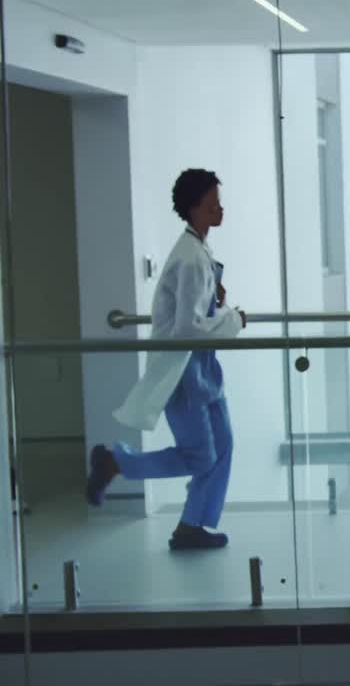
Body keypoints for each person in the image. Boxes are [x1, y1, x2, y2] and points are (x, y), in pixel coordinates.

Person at [85, 169, 247, 550]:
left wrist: (218, 302)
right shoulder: (190, 258)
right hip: (184, 371)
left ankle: (193, 525)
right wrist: (234, 320)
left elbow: (196, 311)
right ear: (194, 208)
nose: (220, 209)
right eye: (212, 204)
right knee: (198, 456)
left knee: (223, 446)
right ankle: (116, 462)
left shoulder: (200, 249)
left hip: (203, 367)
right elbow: (188, 329)